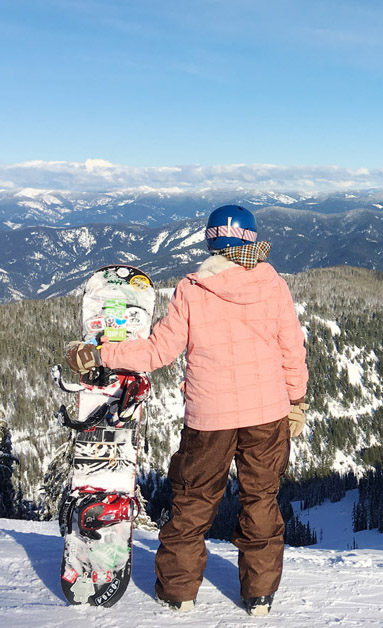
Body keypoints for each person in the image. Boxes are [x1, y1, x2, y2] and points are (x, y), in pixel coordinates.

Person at [65, 205, 309, 616]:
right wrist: (296, 401)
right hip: (268, 414)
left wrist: (101, 354)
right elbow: (292, 350)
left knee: (193, 502)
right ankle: (259, 596)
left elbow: (158, 350)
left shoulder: (193, 290)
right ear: (251, 239)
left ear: (211, 240)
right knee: (261, 501)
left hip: (209, 418)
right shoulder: (274, 285)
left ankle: (179, 594)